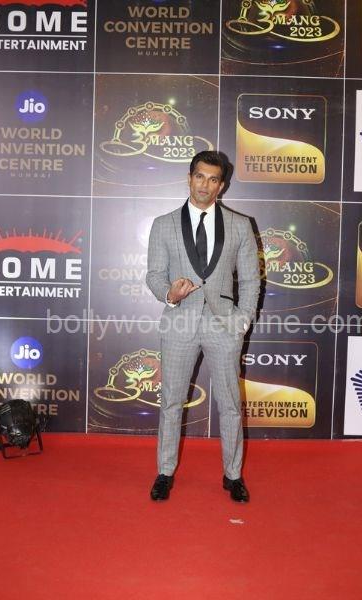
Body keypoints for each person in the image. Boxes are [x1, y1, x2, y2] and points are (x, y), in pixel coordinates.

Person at [145, 150, 260, 503]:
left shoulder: (240, 225)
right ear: (189, 178)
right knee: (171, 402)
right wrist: (170, 293)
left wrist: (242, 320)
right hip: (179, 322)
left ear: (221, 185)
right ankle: (165, 472)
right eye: (199, 176)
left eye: (213, 179)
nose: (205, 185)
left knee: (230, 404)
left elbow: (251, 280)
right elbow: (154, 274)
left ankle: (233, 475)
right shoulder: (163, 224)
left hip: (224, 326)